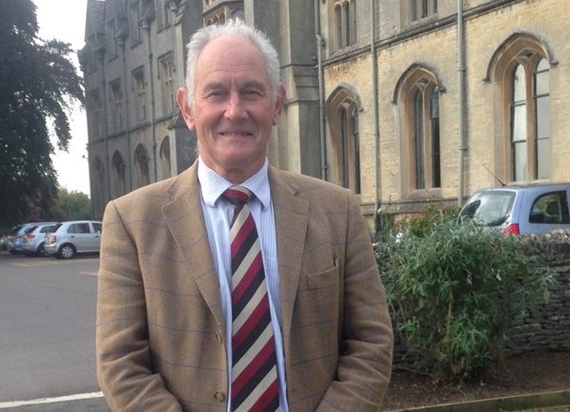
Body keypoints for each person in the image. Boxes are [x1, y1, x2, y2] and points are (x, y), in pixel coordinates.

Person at [96, 20, 393, 412]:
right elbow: (121, 364)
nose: (234, 111)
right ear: (188, 108)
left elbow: (371, 343)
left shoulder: (339, 212)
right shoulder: (131, 222)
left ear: (276, 105)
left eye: (251, 92)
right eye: (216, 93)